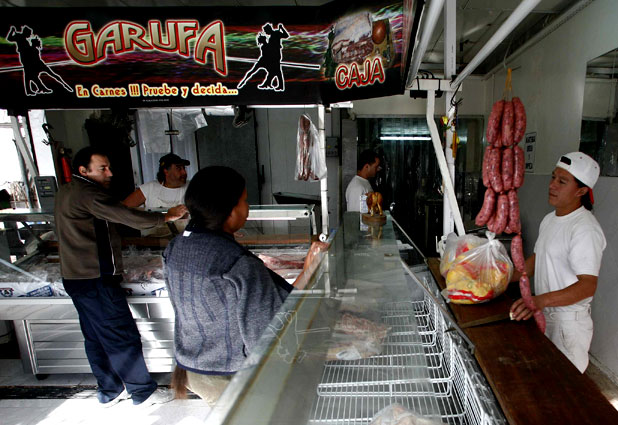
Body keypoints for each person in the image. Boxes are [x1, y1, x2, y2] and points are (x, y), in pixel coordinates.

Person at [164, 166, 326, 405]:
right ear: (228, 210)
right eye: (245, 200)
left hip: (193, 368)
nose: (247, 208)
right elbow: (267, 332)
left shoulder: (176, 246)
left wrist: (308, 270)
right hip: (229, 375)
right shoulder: (237, 263)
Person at [55, 146, 187, 407]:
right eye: (102, 168)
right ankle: (141, 391)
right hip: (95, 277)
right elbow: (125, 215)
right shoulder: (88, 193)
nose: (110, 173)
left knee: (95, 336)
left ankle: (109, 390)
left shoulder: (67, 190)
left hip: (75, 277)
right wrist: (165, 216)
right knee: (120, 334)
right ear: (83, 170)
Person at [509, 152, 606, 373]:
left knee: (564, 385)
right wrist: (504, 278)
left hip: (567, 325)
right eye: (553, 178)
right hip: (545, 314)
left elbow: (588, 285)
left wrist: (540, 300)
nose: (552, 185)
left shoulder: (585, 229)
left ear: (581, 191)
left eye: (562, 181)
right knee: (544, 379)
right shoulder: (549, 219)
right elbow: (538, 259)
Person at [123, 153, 190, 236]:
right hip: (153, 240)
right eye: (179, 168)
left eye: (184, 168)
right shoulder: (149, 188)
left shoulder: (193, 187)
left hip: (184, 240)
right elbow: (123, 210)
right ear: (166, 171)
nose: (184, 172)